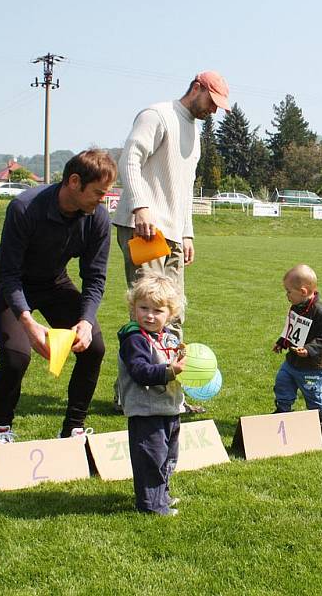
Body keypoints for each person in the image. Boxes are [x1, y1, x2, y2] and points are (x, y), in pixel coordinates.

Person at [113, 70, 230, 415]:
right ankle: (129, 394)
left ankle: (172, 395)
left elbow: (184, 188)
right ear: (196, 88)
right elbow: (129, 160)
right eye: (212, 102)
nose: (213, 110)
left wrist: (188, 231)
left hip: (174, 233)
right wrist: (141, 207)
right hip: (145, 228)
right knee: (145, 312)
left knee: (173, 315)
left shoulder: (194, 131)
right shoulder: (157, 115)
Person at [0, 150, 117, 445]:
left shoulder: (97, 218)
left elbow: (95, 277)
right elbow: (8, 273)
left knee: (93, 346)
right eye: (99, 192)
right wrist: (28, 323)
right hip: (12, 283)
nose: (103, 200)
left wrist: (85, 321)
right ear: (74, 181)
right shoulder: (24, 207)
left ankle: (73, 428)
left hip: (54, 281)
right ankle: (2, 431)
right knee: (16, 358)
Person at [116, 274, 186, 515]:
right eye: (143, 308)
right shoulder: (134, 339)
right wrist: (170, 371)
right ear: (133, 307)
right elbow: (140, 371)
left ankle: (161, 495)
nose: (149, 315)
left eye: (157, 310)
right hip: (146, 411)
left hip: (168, 407)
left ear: (170, 313)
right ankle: (151, 505)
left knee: (168, 457)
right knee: (151, 459)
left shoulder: (167, 337)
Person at [272, 264, 322, 421]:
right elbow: (292, 328)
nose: (287, 295)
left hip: (312, 366)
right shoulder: (296, 307)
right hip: (292, 361)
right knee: (282, 383)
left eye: (289, 291)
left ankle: (320, 420)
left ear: (303, 291)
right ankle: (283, 410)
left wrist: (309, 349)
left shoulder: (320, 312)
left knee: (313, 395)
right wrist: (282, 342)